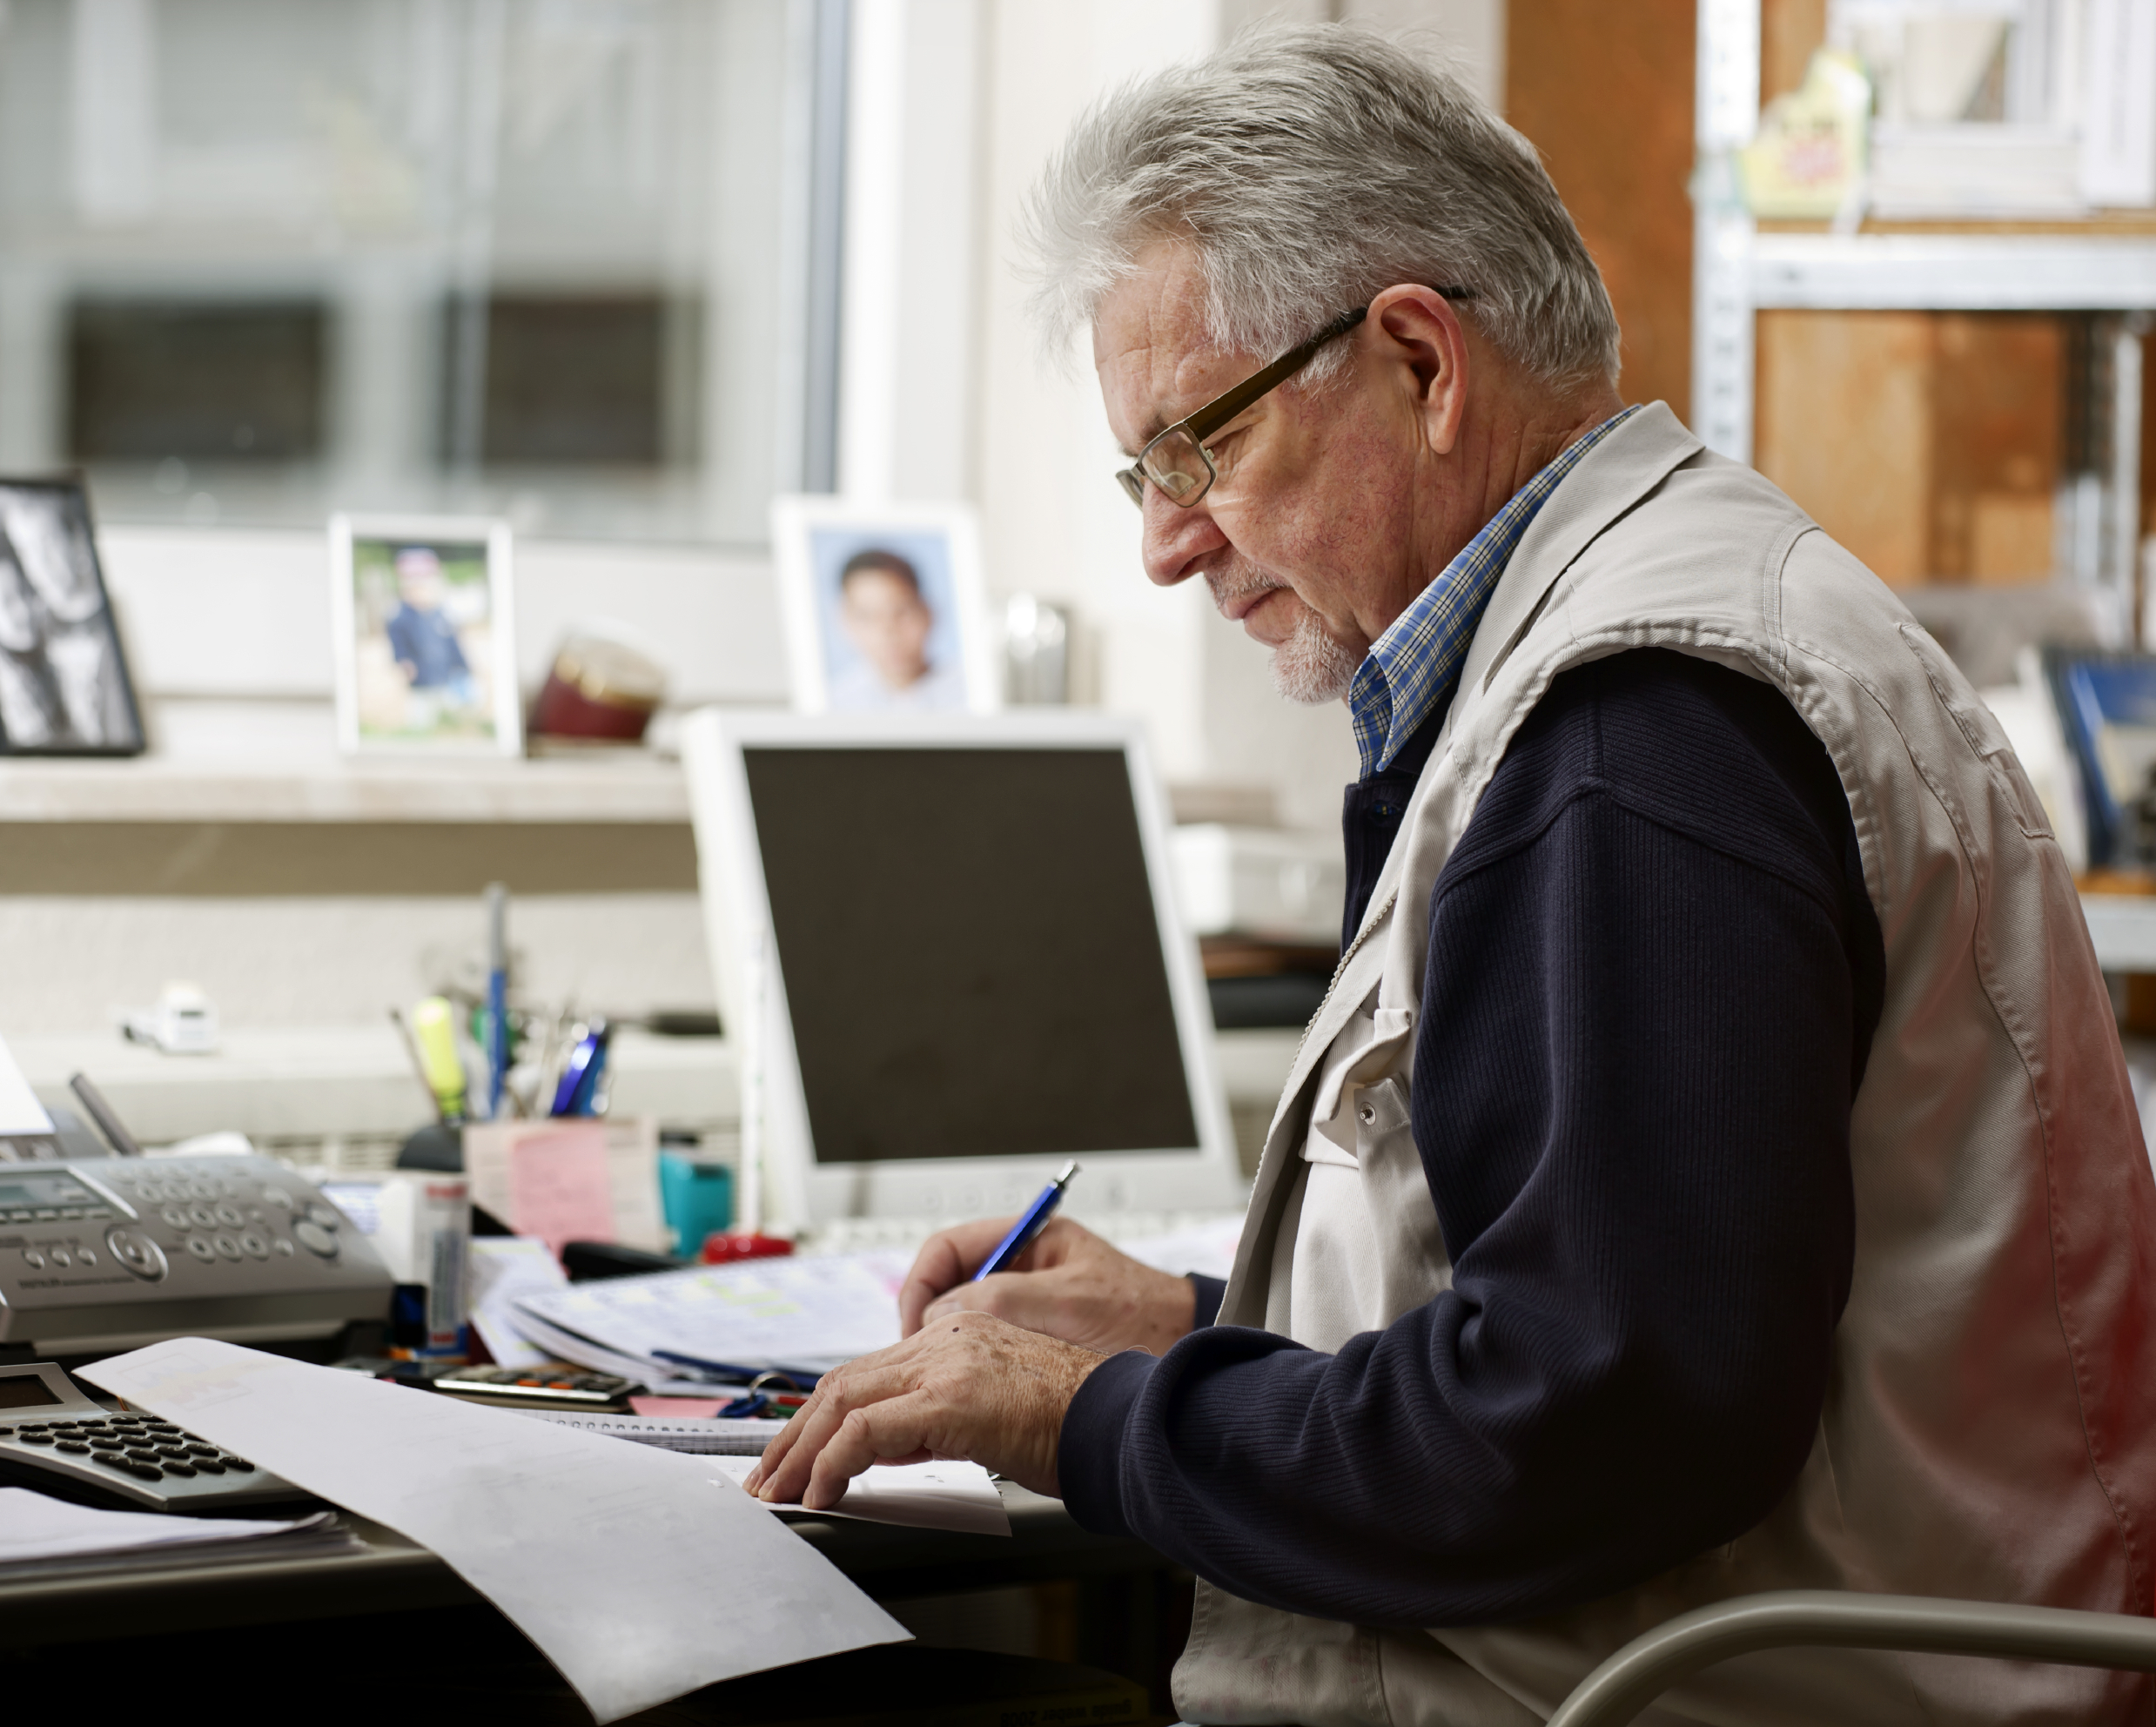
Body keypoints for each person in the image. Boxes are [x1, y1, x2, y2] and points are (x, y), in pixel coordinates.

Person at [747, 27, 2156, 1724]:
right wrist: (1190, 1321)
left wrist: (1085, 1419)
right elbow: (1578, 1311)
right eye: (1139, 475)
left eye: (1192, 446)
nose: (1162, 539)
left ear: (1416, 360)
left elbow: (1597, 1420)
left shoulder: (1631, 742)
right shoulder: (1635, 641)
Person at [827, 547, 966, 710]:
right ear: (845, 621)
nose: (887, 631)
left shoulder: (976, 690)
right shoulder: (835, 704)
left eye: (901, 612)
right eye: (867, 616)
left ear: (928, 613)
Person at [383, 546, 479, 722]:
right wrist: (404, 662)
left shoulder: (441, 614)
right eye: (414, 588)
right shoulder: (401, 618)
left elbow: (454, 645)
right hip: (421, 679)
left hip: (445, 676)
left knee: (451, 714)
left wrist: (464, 668)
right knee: (422, 715)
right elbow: (399, 644)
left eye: (424, 587)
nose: (420, 592)